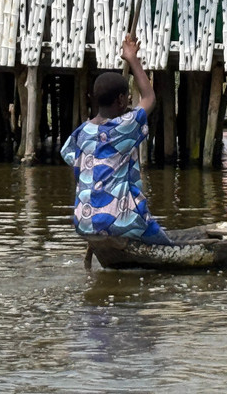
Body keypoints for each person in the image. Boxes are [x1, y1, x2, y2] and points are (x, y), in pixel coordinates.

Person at [60, 33, 171, 245]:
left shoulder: (81, 133)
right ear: (121, 100)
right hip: (120, 221)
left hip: (84, 221)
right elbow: (149, 98)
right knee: (169, 249)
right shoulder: (124, 126)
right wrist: (132, 58)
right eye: (127, 96)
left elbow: (69, 156)